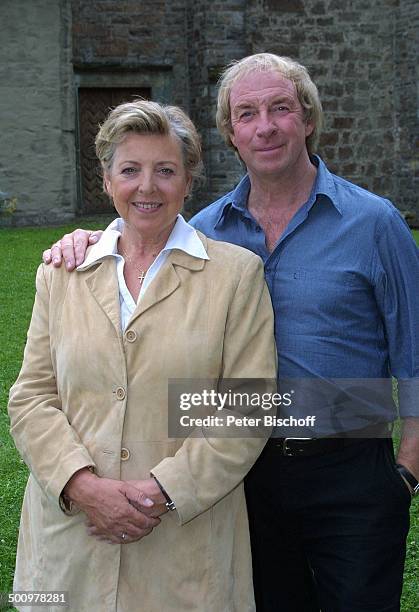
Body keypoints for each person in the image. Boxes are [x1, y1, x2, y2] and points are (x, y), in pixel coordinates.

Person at [43, 54, 419, 612]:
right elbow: (142, 227)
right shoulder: (206, 230)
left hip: (350, 470)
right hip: (244, 476)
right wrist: (85, 241)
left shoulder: (374, 223)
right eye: (247, 114)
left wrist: (405, 476)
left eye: (280, 109)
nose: (265, 126)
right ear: (231, 134)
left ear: (308, 119)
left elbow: (415, 354)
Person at [8, 99, 278, 612]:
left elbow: (248, 407)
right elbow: (32, 396)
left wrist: (159, 492)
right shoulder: (61, 273)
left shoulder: (236, 276)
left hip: (182, 548)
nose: (147, 187)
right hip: (71, 544)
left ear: (188, 179)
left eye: (165, 171)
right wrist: (82, 486)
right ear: (107, 181)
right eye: (130, 170)